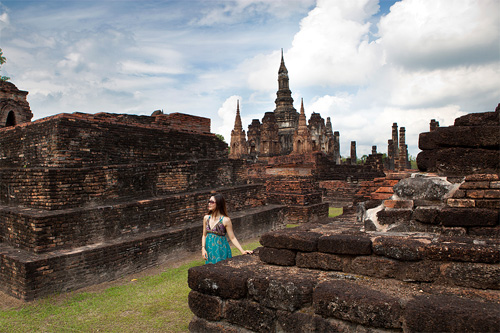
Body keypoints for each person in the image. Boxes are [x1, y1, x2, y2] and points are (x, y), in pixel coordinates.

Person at [202, 193, 253, 264]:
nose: (209, 204)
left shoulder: (226, 220)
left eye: (212, 202)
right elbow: (204, 235)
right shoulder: (206, 218)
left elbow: (232, 238)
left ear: (219, 204)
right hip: (209, 249)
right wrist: (203, 248)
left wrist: (242, 251)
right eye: (209, 201)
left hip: (221, 249)